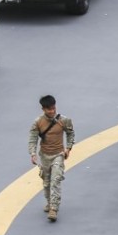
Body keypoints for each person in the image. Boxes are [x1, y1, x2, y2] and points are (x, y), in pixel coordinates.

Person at [28, 94, 75, 222]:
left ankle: (54, 208)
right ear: (43, 109)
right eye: (49, 109)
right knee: (47, 182)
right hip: (44, 156)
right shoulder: (38, 122)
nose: (52, 111)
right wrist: (33, 153)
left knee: (56, 181)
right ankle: (49, 202)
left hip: (58, 155)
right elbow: (33, 139)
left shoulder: (63, 120)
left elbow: (70, 133)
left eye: (53, 108)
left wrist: (68, 148)